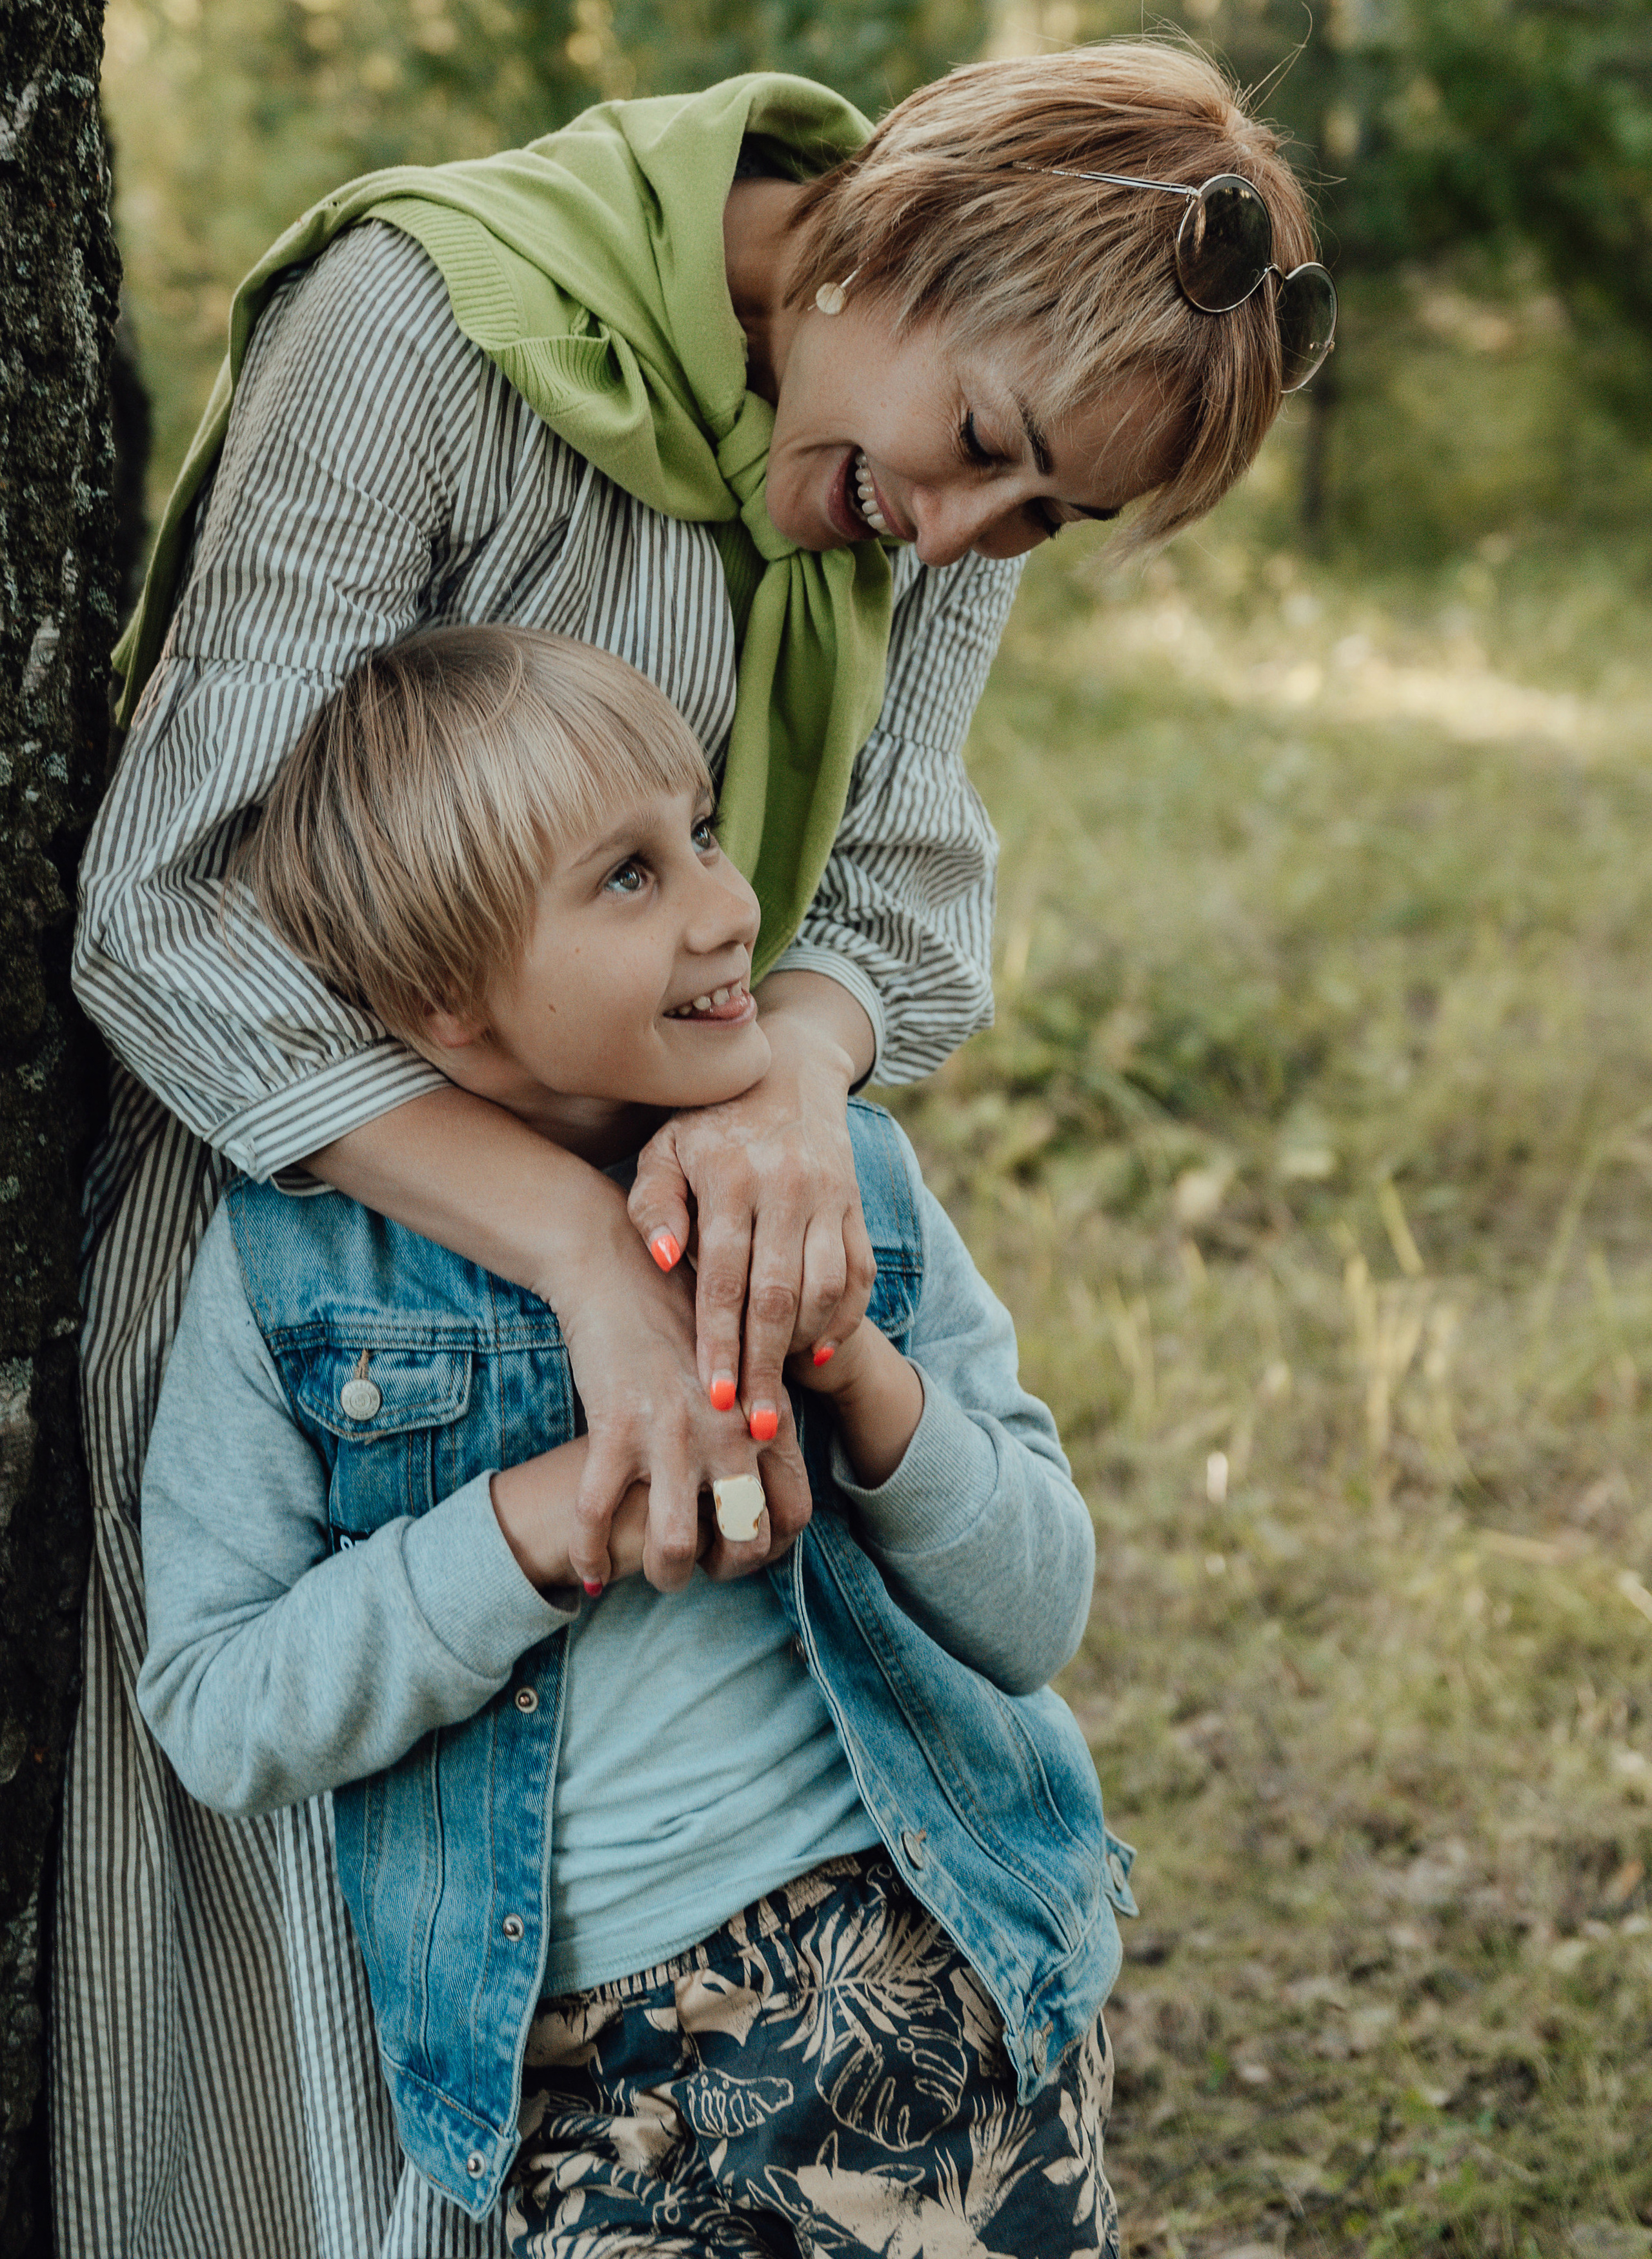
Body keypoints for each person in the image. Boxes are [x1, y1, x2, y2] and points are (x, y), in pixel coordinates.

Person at [64, 41, 1328, 2256]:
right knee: (349, 2088)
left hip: (680, 1180)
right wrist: (574, 1243)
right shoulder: (428, 326)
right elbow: (178, 910)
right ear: (897, 232)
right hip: (347, 1212)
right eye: (984, 460)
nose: (953, 541)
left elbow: (906, 899)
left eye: (1039, 521)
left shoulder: (928, 469)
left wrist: (781, 1101)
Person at [137, 623, 1139, 2256]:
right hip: (569, 2079)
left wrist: (857, 1369)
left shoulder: (840, 1181)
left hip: (919, 1964)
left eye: (705, 831)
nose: (730, 906)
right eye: (626, 876)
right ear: (441, 1002)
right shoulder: (289, 1278)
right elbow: (218, 1710)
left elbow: (1037, 1612)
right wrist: (531, 1525)